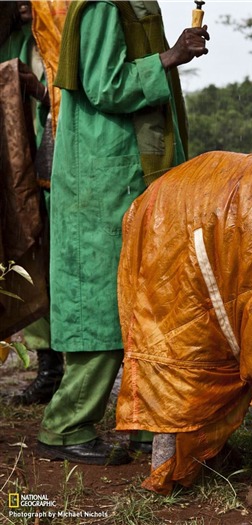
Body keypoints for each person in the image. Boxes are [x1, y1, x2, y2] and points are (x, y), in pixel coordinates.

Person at [36, 0, 209, 466]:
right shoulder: (102, 5)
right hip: (101, 180)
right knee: (99, 305)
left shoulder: (136, 2)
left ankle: (142, 424)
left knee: (143, 304)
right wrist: (171, 57)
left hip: (128, 176)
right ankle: (66, 425)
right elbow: (104, 85)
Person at [0, 1, 62, 407]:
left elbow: (66, 93)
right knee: (27, 264)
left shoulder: (55, 36)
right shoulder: (13, 41)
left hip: (56, 170)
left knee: (56, 265)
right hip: (17, 175)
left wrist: (35, 88)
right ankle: (47, 367)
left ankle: (63, 368)